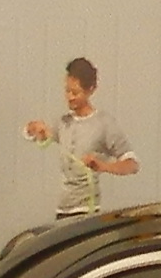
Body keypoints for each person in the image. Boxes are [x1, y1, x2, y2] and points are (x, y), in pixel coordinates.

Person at [24, 57, 136, 218]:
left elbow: (132, 164)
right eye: (67, 91)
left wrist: (103, 166)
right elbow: (39, 137)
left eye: (75, 92)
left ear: (91, 89)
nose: (70, 97)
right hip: (63, 210)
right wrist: (32, 129)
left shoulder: (104, 124)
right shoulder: (64, 122)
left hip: (86, 212)